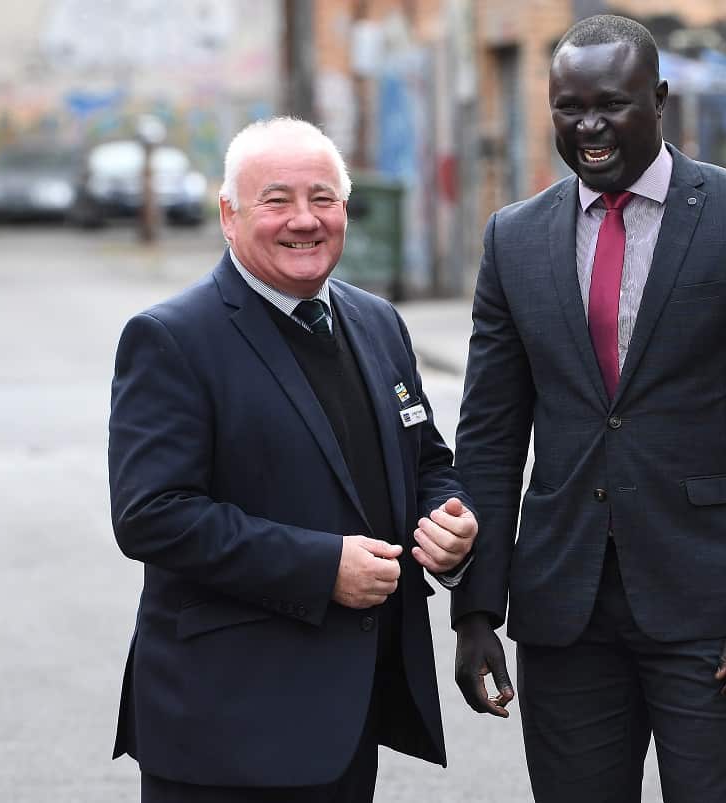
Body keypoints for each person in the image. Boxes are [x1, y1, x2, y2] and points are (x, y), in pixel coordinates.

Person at [452, 14, 726, 803]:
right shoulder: (512, 239)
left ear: (658, 100)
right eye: (569, 107)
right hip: (563, 606)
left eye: (612, 104)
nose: (589, 126)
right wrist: (476, 607)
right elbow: (490, 433)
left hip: (711, 604)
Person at [108, 117, 478, 802]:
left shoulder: (376, 322)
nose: (304, 220)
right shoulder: (172, 338)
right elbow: (152, 515)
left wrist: (447, 521)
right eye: (276, 200)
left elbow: (427, 459)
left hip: (347, 715)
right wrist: (322, 566)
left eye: (322, 198)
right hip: (224, 725)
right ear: (229, 215)